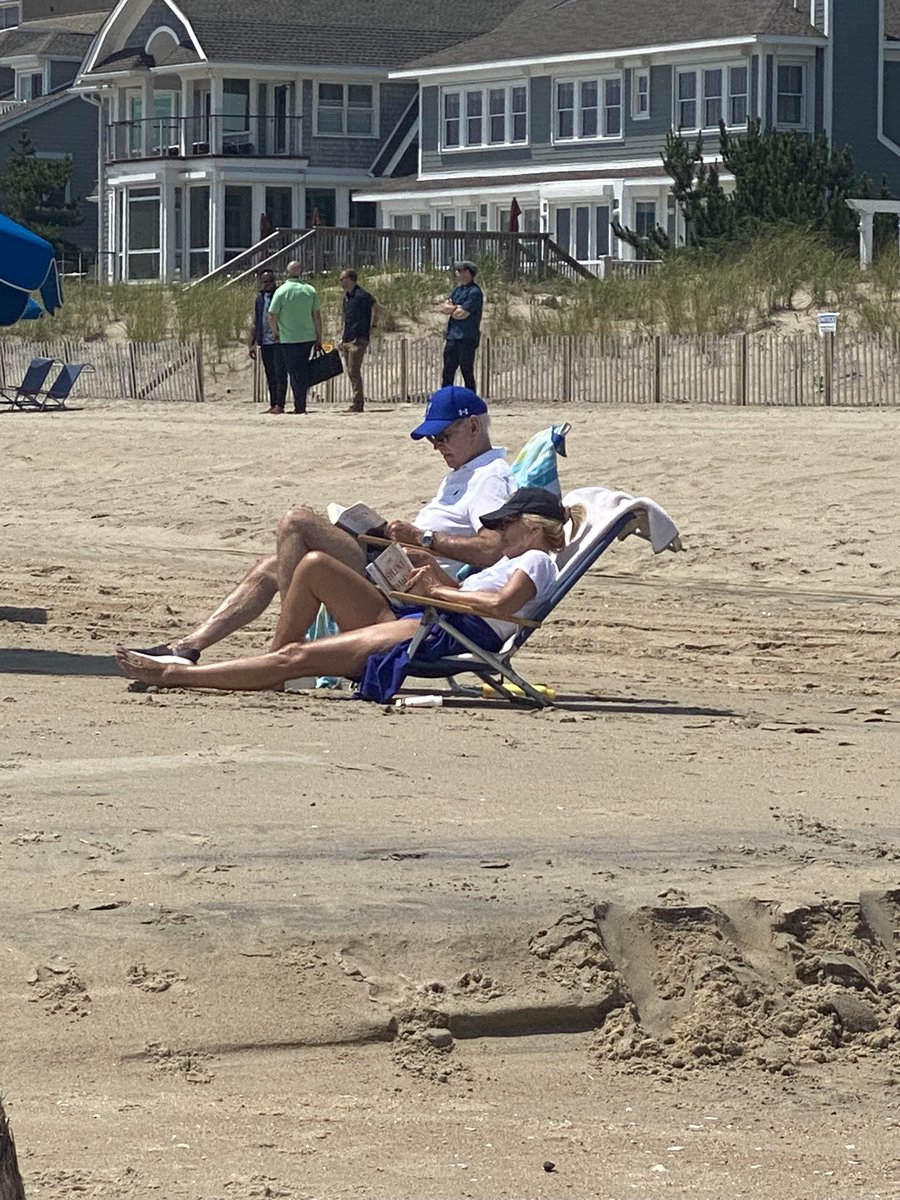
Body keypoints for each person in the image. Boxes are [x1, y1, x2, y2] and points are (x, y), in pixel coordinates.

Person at [132, 385, 515, 666]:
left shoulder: (490, 477)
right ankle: (189, 646)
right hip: (396, 568)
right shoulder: (462, 472)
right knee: (273, 565)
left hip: (412, 587)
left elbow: (492, 548)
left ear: (474, 427)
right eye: (432, 439)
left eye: (443, 435)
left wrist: (423, 537)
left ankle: (281, 656)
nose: (437, 446)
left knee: (296, 523)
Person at [116, 488, 578, 701]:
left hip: (435, 632)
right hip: (424, 616)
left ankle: (176, 677)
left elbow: (499, 608)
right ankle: (263, 670)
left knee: (299, 656)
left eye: (505, 524)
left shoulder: (536, 561)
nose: (499, 532)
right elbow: (471, 595)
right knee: (316, 566)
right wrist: (428, 574)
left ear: (533, 527)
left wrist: (437, 590)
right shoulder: (511, 561)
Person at [267, 261, 323, 415]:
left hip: (288, 338)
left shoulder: (281, 291)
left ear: (287, 273)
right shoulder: (310, 290)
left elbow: (272, 315)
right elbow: (317, 317)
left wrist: (275, 331)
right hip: (307, 337)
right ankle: (301, 404)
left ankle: (299, 406)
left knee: (293, 372)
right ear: (301, 273)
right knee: (302, 370)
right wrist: (319, 337)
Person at [339, 268, 380, 414]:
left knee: (354, 370)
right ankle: (356, 401)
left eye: (342, 278)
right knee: (351, 372)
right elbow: (345, 318)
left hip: (358, 338)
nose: (340, 281)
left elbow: (377, 307)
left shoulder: (362, 295)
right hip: (347, 338)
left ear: (350, 279)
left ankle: (358, 403)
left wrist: (373, 325)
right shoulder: (347, 297)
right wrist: (341, 335)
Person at [440, 260, 483, 392]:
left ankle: (470, 398)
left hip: (467, 336)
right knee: (448, 370)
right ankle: (446, 398)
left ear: (468, 273)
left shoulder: (475, 292)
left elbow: (462, 314)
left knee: (466, 370)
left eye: (460, 271)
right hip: (453, 336)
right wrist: (455, 308)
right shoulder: (457, 290)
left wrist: (454, 309)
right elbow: (444, 308)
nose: (457, 273)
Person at [248, 270, 287, 414]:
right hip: (264, 341)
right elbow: (256, 321)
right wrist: (252, 343)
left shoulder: (280, 295)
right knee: (270, 374)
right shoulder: (260, 299)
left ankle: (280, 404)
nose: (268, 284)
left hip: (279, 340)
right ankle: (273, 403)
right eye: (265, 281)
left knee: (280, 373)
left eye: (271, 280)